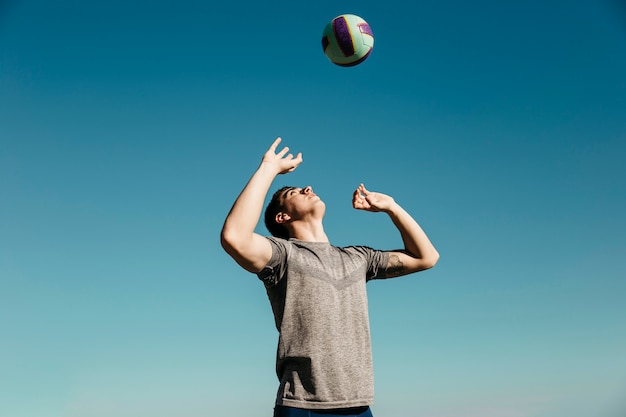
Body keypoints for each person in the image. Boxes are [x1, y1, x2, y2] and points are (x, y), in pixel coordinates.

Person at [220, 138, 440, 417]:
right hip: (302, 406)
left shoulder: (358, 258)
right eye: (295, 192)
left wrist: (392, 208)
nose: (308, 188)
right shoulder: (282, 256)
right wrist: (269, 168)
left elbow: (426, 257)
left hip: (359, 406)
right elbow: (234, 237)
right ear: (282, 217)